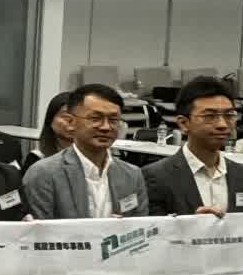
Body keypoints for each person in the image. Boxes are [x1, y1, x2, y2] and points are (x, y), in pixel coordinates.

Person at [23, 84, 149, 220]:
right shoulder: (44, 174)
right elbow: (40, 230)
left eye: (113, 120)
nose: (106, 127)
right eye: (95, 119)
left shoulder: (132, 175)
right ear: (71, 122)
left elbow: (140, 228)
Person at [144, 77, 243, 216]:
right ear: (184, 123)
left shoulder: (240, 174)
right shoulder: (157, 176)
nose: (222, 124)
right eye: (209, 116)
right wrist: (193, 224)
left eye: (229, 115)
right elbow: (152, 228)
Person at [28, 90, 75, 169]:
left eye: (77, 117)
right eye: (66, 116)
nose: (72, 122)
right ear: (50, 119)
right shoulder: (37, 158)